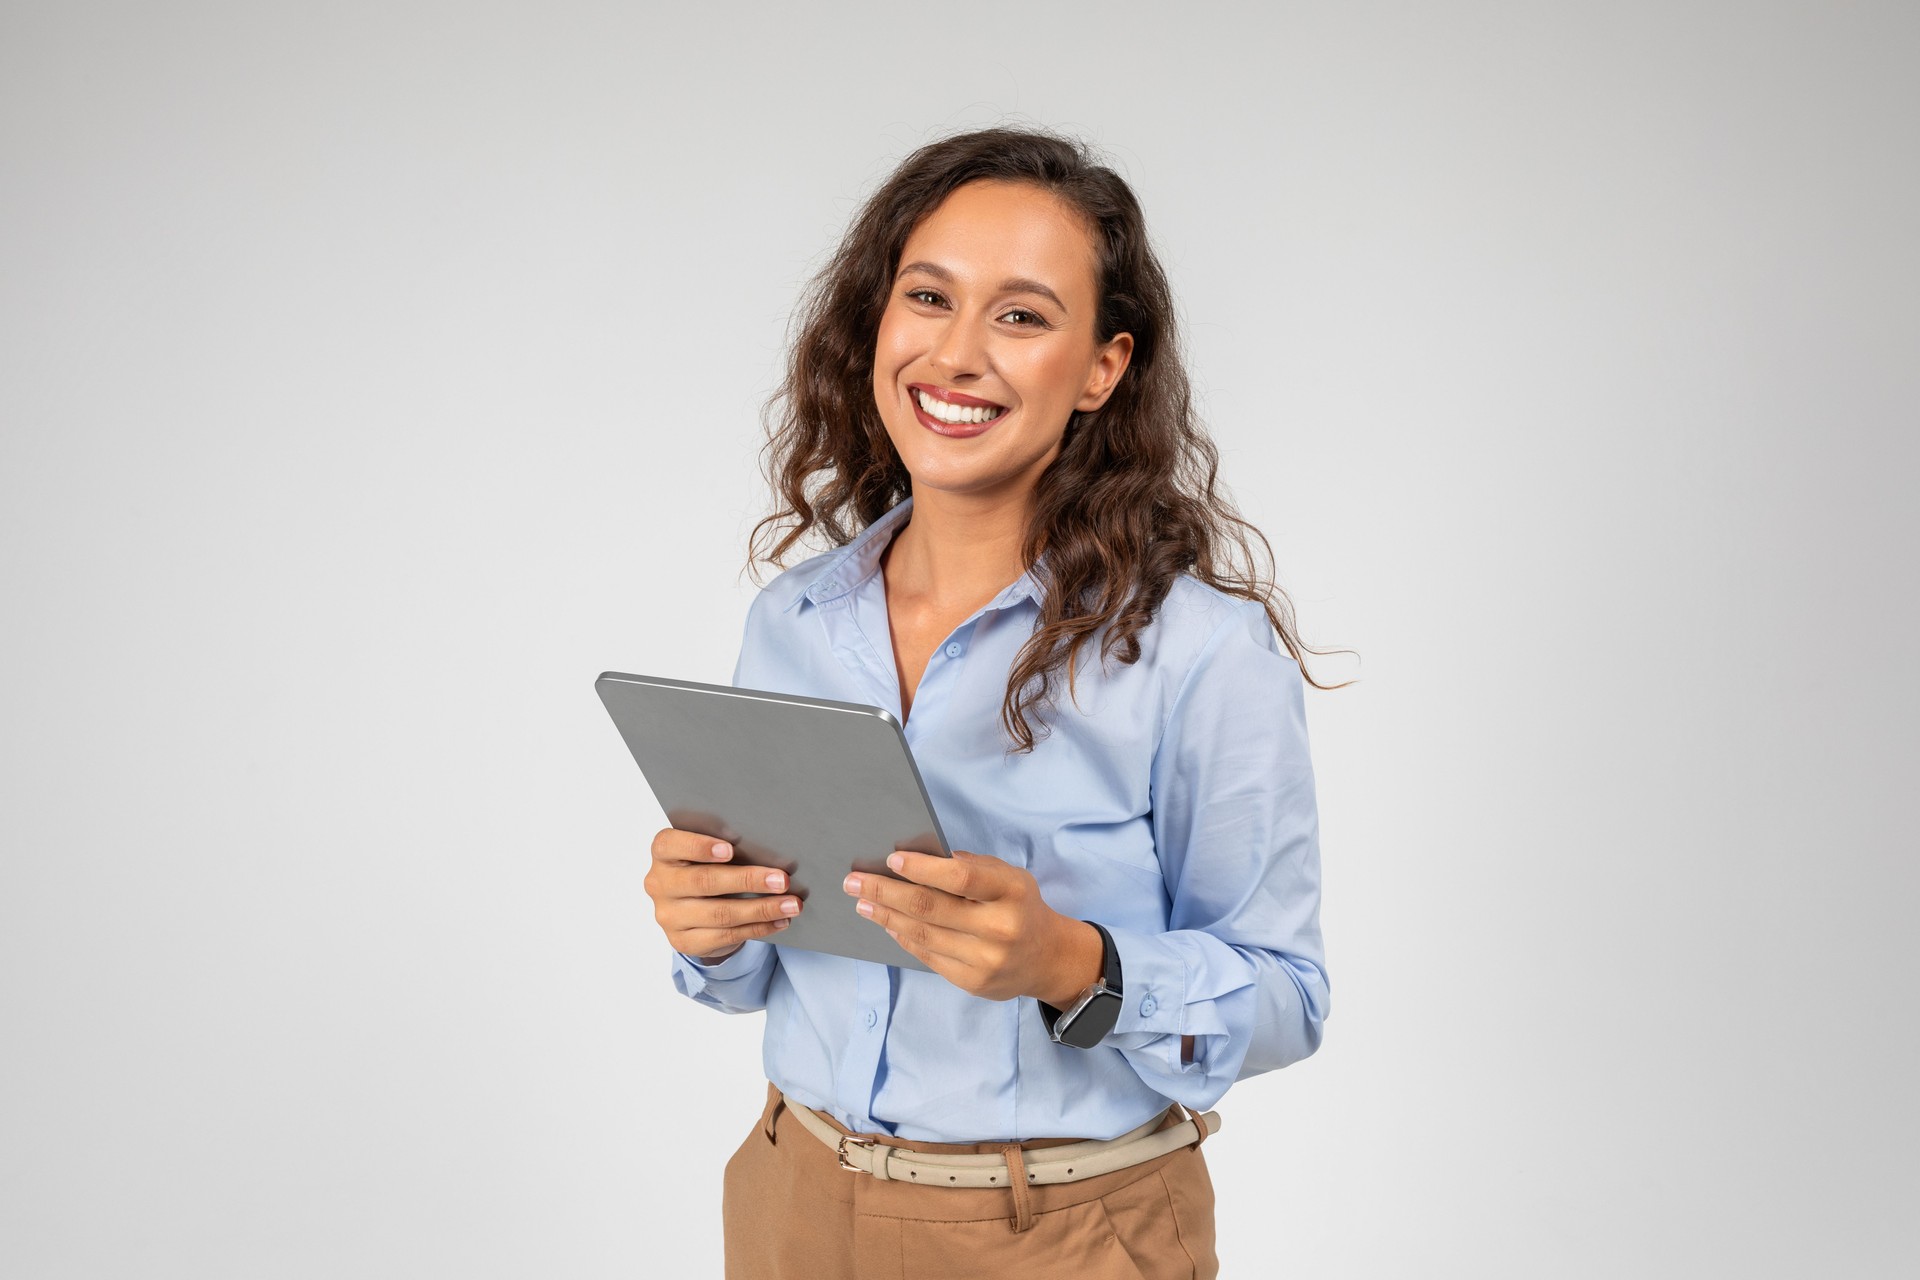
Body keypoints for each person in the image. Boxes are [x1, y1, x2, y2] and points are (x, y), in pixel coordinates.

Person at [642, 125, 1339, 1279]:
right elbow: (764, 966)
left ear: (1104, 367)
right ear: (878, 320)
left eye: (1021, 315)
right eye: (929, 296)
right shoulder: (795, 622)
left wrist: (1076, 963)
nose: (957, 354)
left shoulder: (1200, 651)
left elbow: (1289, 994)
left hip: (1062, 1232)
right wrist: (709, 925)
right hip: (791, 1199)